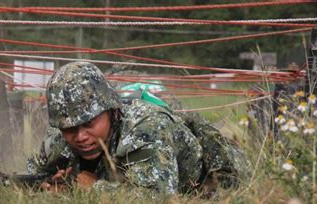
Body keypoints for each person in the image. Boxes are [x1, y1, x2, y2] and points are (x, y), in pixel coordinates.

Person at [27, 62, 250, 194]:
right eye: (69, 128)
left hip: (212, 181)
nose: (80, 136)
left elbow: (157, 199)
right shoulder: (59, 136)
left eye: (88, 123)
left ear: (112, 111)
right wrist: (53, 185)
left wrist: (95, 188)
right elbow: (34, 175)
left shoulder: (147, 128)